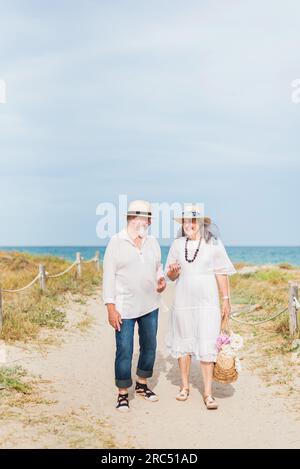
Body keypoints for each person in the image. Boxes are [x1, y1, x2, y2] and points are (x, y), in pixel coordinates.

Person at [165, 205, 236, 410]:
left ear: (202, 224)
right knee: (183, 342)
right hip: (183, 301)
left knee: (207, 343)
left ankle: (208, 393)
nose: (190, 224)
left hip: (208, 302)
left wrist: (226, 299)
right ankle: (184, 387)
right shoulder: (177, 245)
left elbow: (221, 272)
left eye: (194, 221)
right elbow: (171, 275)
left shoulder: (213, 244)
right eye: (187, 221)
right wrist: (172, 272)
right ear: (183, 224)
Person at [103, 200, 166, 412]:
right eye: (139, 217)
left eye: (147, 218)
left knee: (149, 346)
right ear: (130, 218)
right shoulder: (116, 242)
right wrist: (110, 307)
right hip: (124, 307)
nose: (143, 221)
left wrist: (161, 279)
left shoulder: (153, 242)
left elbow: (158, 267)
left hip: (150, 305)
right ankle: (122, 393)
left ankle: (142, 384)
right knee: (125, 349)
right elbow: (108, 276)